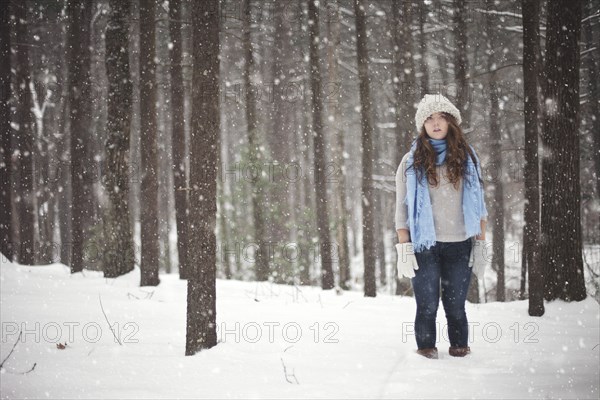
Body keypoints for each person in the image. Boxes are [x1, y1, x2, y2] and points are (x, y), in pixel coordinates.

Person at [394, 93, 488, 359]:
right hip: (424, 245)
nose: (435, 123)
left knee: (456, 305)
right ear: (422, 125)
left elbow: (479, 205)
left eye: (441, 118)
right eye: (429, 119)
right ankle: (426, 351)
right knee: (426, 304)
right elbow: (401, 206)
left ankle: (460, 349)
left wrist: (480, 243)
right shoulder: (410, 162)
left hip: (459, 243)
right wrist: (404, 246)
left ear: (451, 122)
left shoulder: (468, 159)